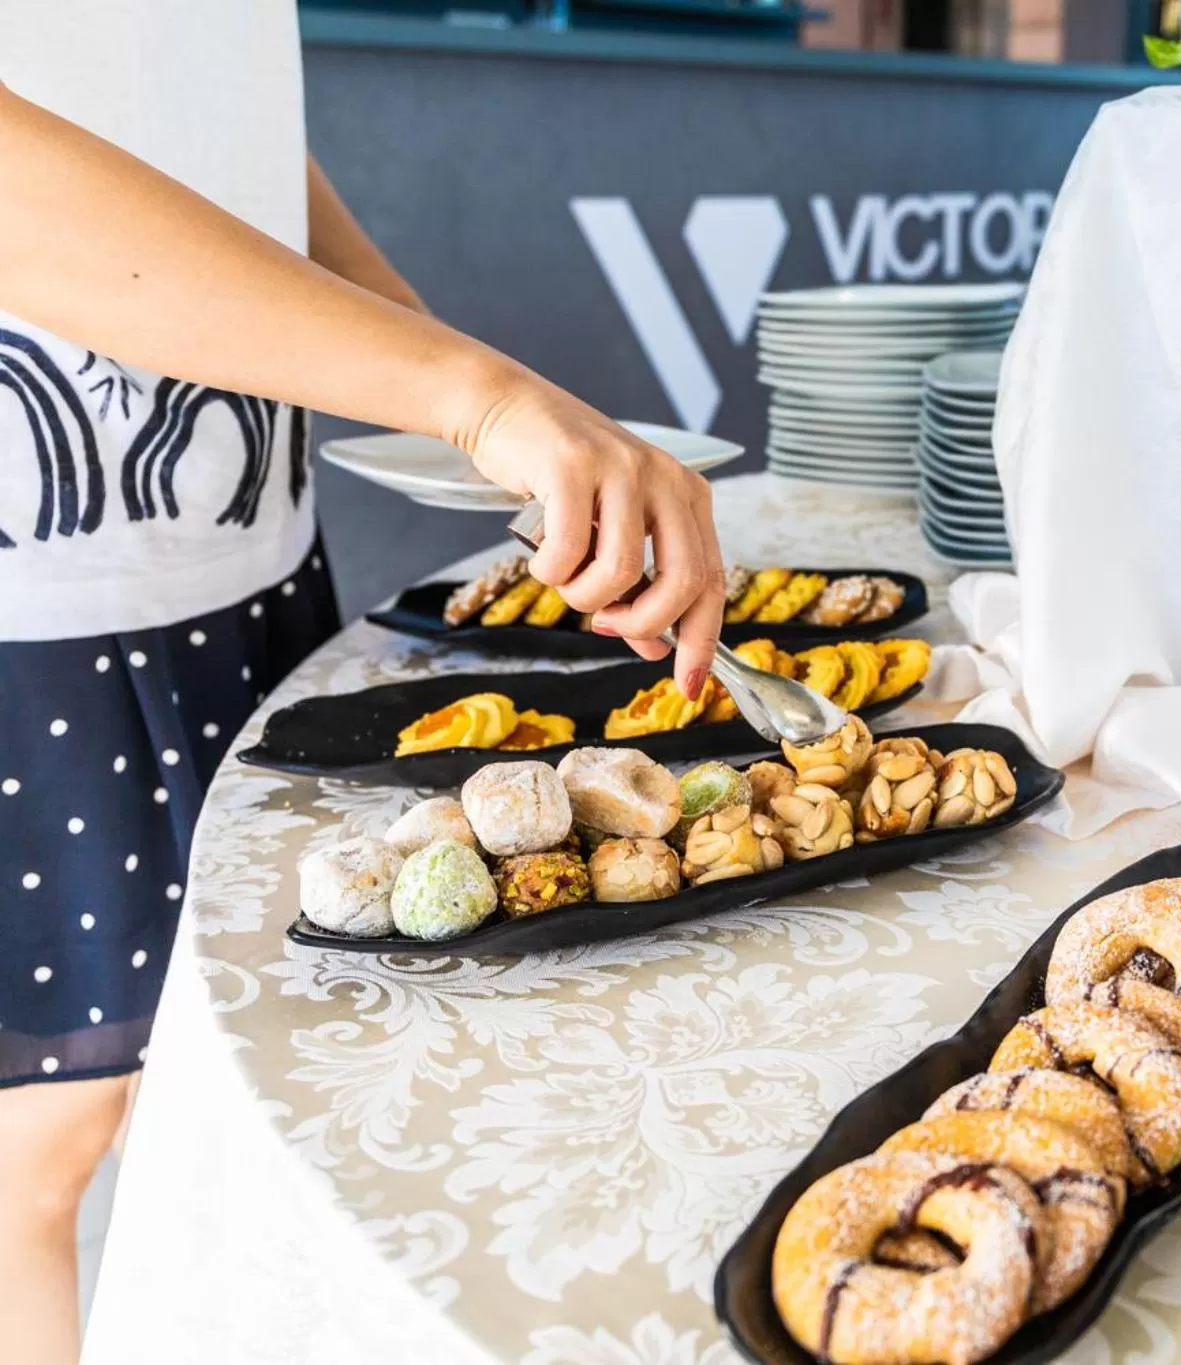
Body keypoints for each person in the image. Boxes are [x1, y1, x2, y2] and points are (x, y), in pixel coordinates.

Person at [0, 7, 725, 1361]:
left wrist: (454, 406)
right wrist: (475, 398)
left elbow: (215, 111)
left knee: (208, 1079)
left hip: (233, 551)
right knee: (32, 1158)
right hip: (26, 592)